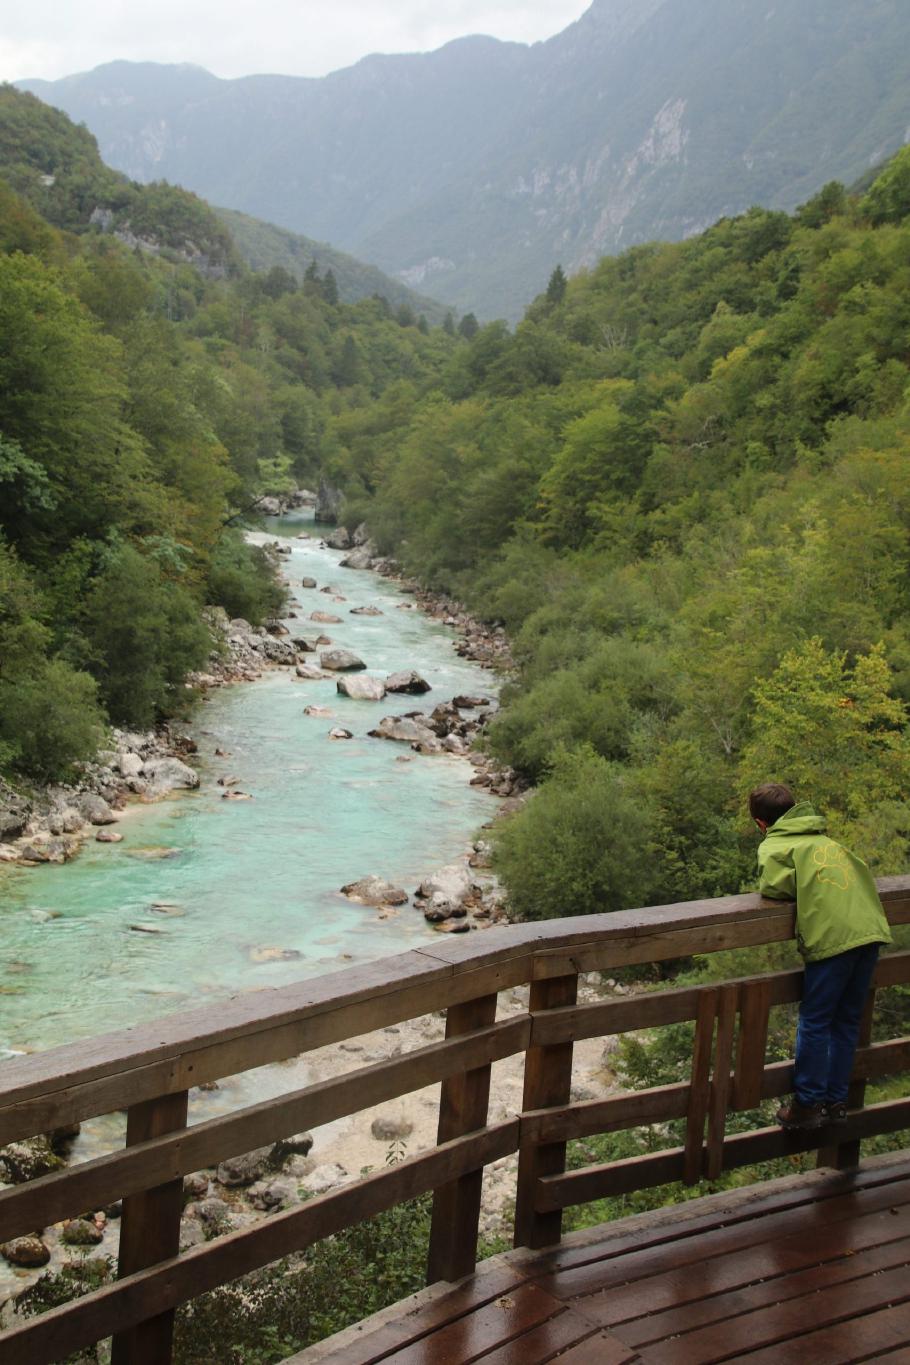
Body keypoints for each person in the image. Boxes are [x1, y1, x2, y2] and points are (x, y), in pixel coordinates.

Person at [749, 782, 892, 1132]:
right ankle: (835, 1099)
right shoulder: (827, 841)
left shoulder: (778, 846)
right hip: (869, 931)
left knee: (815, 1021)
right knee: (846, 1021)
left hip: (833, 938)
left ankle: (807, 1103)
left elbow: (774, 888)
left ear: (760, 824)